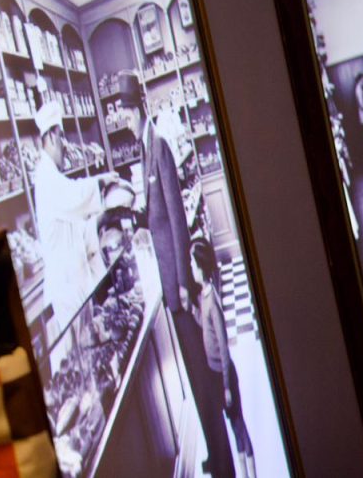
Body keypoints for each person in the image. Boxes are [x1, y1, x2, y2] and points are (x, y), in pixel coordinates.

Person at [117, 71, 236, 477]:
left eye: (125, 111)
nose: (123, 119)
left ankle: (224, 463)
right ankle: (214, 453)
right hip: (171, 286)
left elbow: (178, 220)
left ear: (138, 108)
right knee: (195, 374)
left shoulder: (160, 147)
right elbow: (157, 216)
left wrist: (184, 284)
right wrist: (135, 219)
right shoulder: (144, 150)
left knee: (203, 377)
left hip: (179, 288)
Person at [32, 99, 118, 338]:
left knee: (88, 341)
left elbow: (75, 229)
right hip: (66, 289)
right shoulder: (45, 177)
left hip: (76, 285)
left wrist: (103, 218)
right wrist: (101, 181)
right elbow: (74, 196)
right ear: (51, 137)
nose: (66, 146)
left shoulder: (53, 176)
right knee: (76, 350)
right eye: (62, 137)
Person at [191, 238, 256, 478]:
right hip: (217, 376)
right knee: (233, 424)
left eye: (192, 263)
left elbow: (224, 350)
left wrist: (227, 386)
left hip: (225, 376)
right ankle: (243, 472)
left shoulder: (213, 302)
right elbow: (205, 326)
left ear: (201, 267)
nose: (190, 267)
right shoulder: (204, 297)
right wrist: (193, 310)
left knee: (239, 425)